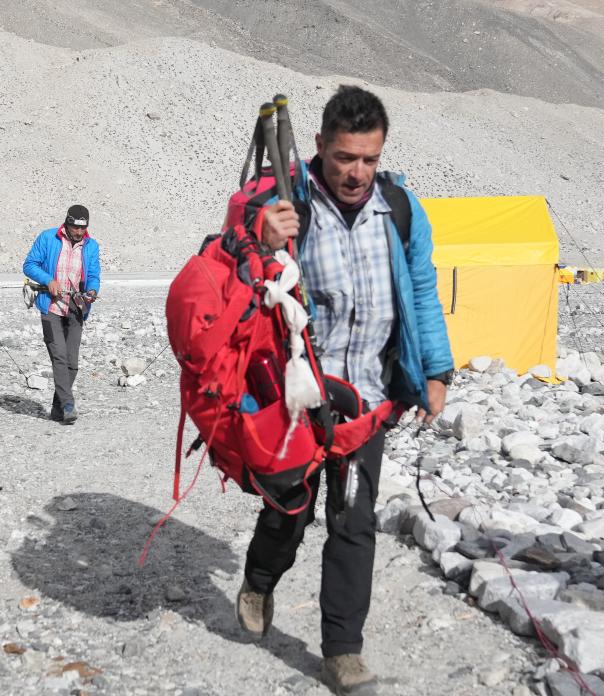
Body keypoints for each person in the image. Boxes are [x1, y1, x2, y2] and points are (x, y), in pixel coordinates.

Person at [239, 86, 455, 695]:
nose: (356, 172)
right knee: (289, 509)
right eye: (344, 158)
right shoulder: (288, 201)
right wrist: (259, 233)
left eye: (368, 159)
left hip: (367, 399)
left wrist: (436, 372)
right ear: (319, 147)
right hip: (300, 394)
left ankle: (342, 651)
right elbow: (234, 262)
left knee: (353, 520)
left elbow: (421, 291)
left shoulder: (400, 210)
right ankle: (259, 579)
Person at [23, 204, 101, 424]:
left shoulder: (92, 245)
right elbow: (29, 265)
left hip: (77, 308)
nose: (79, 232)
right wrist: (49, 280)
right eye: (75, 228)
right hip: (51, 307)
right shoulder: (48, 238)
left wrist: (92, 291)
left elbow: (93, 275)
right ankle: (68, 405)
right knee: (59, 356)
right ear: (67, 224)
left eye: (83, 228)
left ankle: (57, 409)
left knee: (72, 363)